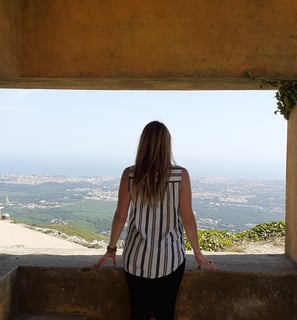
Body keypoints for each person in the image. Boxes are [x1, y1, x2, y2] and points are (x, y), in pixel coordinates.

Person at [94, 120, 217, 320]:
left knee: (138, 313)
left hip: (136, 258)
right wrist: (197, 251)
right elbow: (187, 217)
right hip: (171, 259)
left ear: (142, 144)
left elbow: (120, 216)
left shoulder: (130, 175)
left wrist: (111, 248)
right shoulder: (180, 176)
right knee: (165, 313)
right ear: (167, 145)